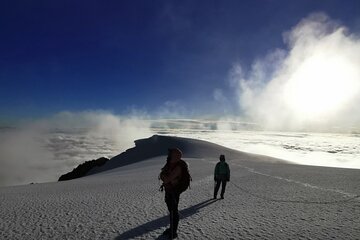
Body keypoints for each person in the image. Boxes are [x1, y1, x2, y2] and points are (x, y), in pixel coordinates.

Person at [159, 148, 188, 239]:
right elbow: (162, 174)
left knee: (173, 212)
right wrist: (163, 176)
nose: (169, 155)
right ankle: (172, 229)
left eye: (171, 154)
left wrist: (164, 176)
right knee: (172, 210)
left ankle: (173, 232)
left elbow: (165, 178)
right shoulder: (170, 164)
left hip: (174, 192)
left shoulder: (178, 167)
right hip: (169, 191)